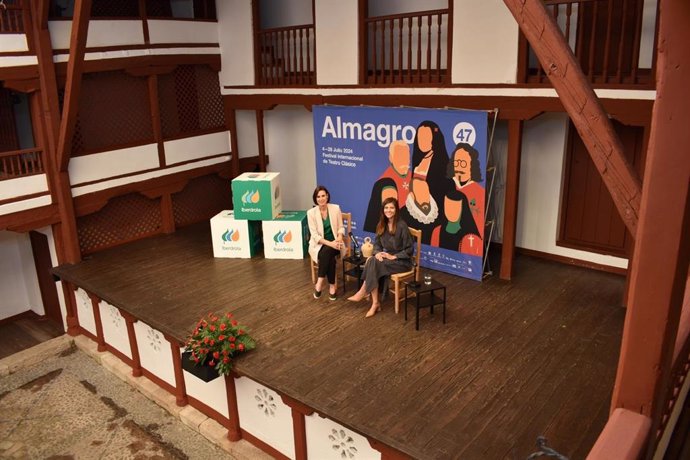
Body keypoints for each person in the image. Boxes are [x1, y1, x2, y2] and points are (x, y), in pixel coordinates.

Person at [347, 197, 414, 318]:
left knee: (372, 262)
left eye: (392, 207)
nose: (389, 210)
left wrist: (394, 256)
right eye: (386, 208)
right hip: (387, 258)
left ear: (396, 209)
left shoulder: (402, 226)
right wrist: (377, 252)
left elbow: (410, 249)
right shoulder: (381, 225)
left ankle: (365, 293)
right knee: (373, 259)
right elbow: (377, 244)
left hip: (402, 262)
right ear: (383, 210)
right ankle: (375, 302)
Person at [307, 185, 346, 301]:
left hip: (336, 243)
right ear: (315, 199)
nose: (321, 198)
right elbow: (315, 236)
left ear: (327, 196)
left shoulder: (335, 208)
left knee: (327, 252)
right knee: (328, 256)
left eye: (323, 195)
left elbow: (341, 227)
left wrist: (339, 238)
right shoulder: (311, 213)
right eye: (318, 197)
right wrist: (331, 244)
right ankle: (332, 286)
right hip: (319, 244)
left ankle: (319, 283)